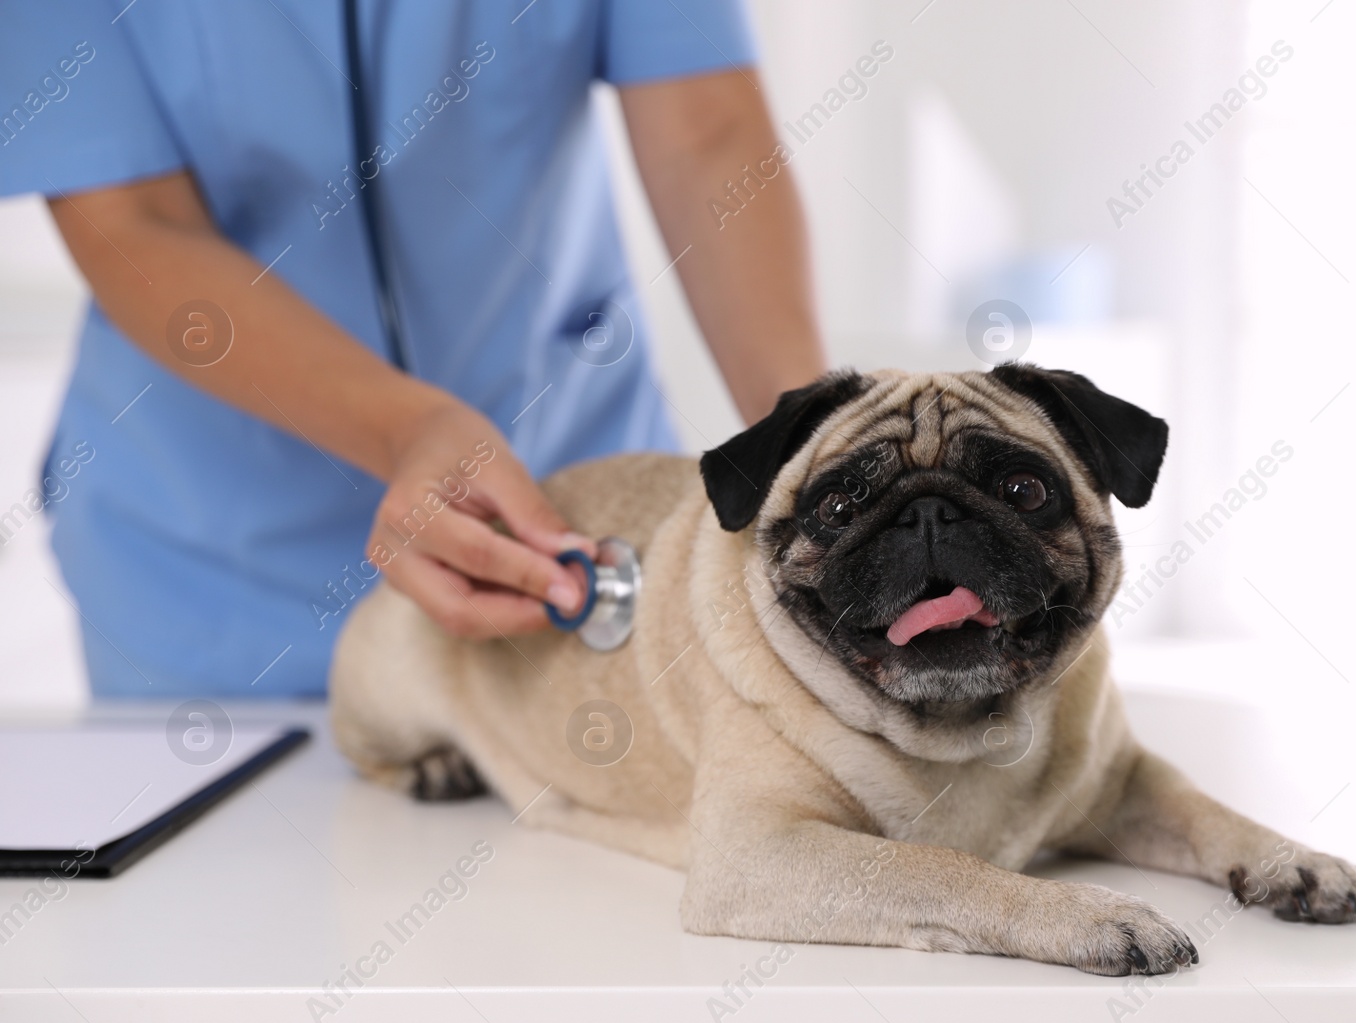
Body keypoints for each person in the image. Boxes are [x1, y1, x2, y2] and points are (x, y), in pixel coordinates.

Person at [0, 0, 826, 697]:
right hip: (216, 583)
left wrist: (821, 455)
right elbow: (135, 227)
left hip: (570, 520)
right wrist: (409, 429)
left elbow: (707, 138)